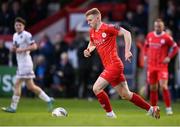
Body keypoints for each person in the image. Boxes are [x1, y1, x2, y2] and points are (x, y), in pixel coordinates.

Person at [83, 8, 160, 119]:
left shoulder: (108, 28)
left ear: (98, 18)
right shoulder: (92, 32)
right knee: (126, 94)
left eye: (90, 20)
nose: (88, 23)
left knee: (96, 88)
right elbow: (92, 43)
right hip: (109, 66)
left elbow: (126, 33)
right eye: (88, 21)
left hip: (114, 65)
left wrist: (127, 51)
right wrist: (88, 50)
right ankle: (152, 110)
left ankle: (110, 114)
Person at [2, 17, 53, 113]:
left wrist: (23, 50)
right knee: (31, 87)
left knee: (17, 84)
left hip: (26, 63)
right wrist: (13, 49)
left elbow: (34, 46)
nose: (18, 27)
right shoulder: (14, 36)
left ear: (23, 26)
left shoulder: (26, 35)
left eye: (20, 25)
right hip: (21, 63)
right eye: (16, 25)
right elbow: (15, 46)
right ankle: (48, 99)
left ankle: (13, 107)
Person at [144, 18, 178, 115]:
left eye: (159, 26)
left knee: (163, 86)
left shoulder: (167, 37)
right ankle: (153, 110)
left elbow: (175, 48)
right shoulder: (150, 36)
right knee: (153, 88)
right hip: (151, 66)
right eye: (156, 26)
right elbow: (146, 46)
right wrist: (145, 55)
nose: (157, 28)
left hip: (162, 66)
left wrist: (169, 57)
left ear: (163, 27)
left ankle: (168, 108)